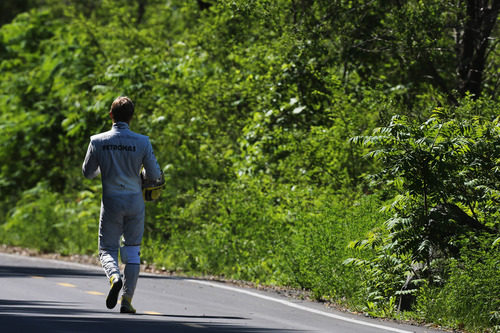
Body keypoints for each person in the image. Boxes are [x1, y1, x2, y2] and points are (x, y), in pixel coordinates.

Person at [82, 96, 162, 313]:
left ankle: (114, 276)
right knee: (133, 250)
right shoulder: (142, 141)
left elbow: (88, 172)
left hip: (111, 203)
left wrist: (103, 169)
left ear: (111, 115)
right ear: (132, 117)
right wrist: (141, 174)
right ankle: (127, 300)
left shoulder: (97, 141)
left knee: (107, 248)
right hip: (135, 201)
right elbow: (154, 175)